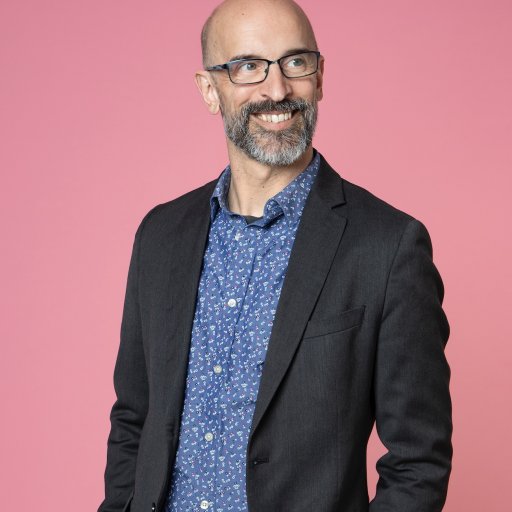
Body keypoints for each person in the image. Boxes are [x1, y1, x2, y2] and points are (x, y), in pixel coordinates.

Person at [98, 0, 452, 511]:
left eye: (295, 62)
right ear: (209, 89)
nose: (277, 89)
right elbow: (134, 417)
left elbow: (418, 461)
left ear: (320, 76)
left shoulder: (388, 246)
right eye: (248, 66)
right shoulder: (160, 235)